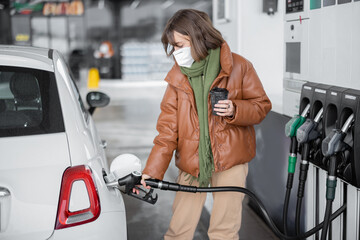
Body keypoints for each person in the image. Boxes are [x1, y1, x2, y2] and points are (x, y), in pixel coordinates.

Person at [140, 9, 272, 240]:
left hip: (231, 160)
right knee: (178, 230)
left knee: (224, 231)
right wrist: (152, 172)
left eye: (181, 45)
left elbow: (261, 106)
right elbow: (167, 132)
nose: (176, 52)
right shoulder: (177, 78)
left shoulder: (239, 67)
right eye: (174, 46)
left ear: (198, 37)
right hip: (192, 162)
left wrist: (235, 109)